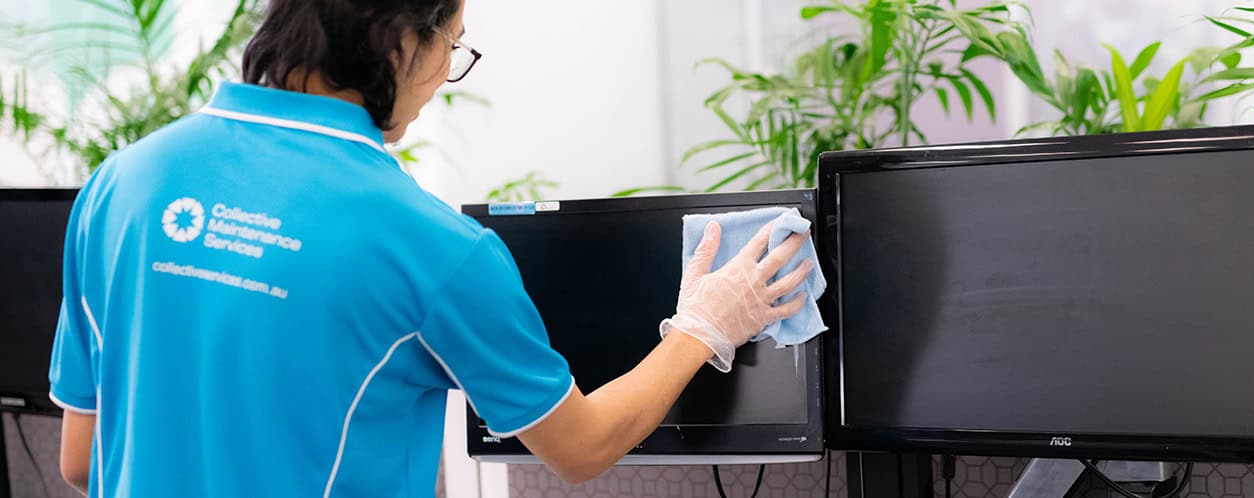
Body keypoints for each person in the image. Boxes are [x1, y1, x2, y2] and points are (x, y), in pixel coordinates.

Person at [48, 0, 813, 496]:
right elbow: (580, 448)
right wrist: (704, 326)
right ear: (400, 42)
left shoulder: (122, 184)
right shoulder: (429, 245)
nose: (448, 72)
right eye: (454, 45)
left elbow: (81, 458)